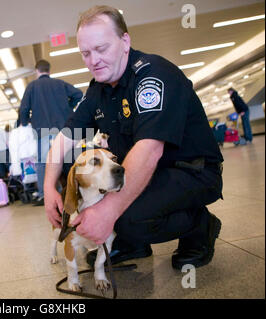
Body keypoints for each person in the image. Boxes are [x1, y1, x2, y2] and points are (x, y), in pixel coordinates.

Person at [43, 5, 224, 270]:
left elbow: (150, 150)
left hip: (190, 172)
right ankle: (132, 243)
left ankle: (200, 225)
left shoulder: (153, 76)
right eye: (86, 53)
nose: (93, 60)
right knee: (94, 185)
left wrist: (108, 213)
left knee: (125, 215)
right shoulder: (98, 90)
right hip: (151, 173)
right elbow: (64, 139)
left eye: (101, 49)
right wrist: (49, 188)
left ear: (125, 41)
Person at [19, 59, 83, 206]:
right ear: (49, 70)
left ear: (37, 71)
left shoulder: (32, 86)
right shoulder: (60, 84)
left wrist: (25, 121)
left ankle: (44, 195)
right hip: (64, 129)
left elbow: (23, 108)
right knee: (69, 160)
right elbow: (79, 94)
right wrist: (68, 108)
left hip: (42, 131)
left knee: (43, 163)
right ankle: (75, 190)